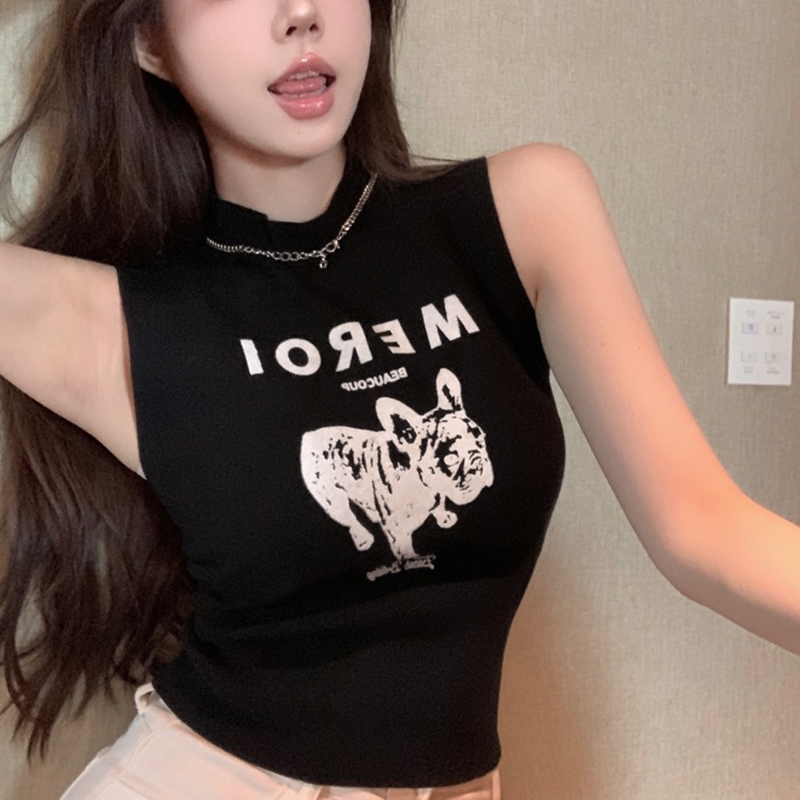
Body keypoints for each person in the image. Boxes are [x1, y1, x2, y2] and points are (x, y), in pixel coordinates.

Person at [0, 1, 798, 798]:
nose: (300, 13)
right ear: (148, 40)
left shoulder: (521, 212)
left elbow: (705, 528)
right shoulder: (111, 318)